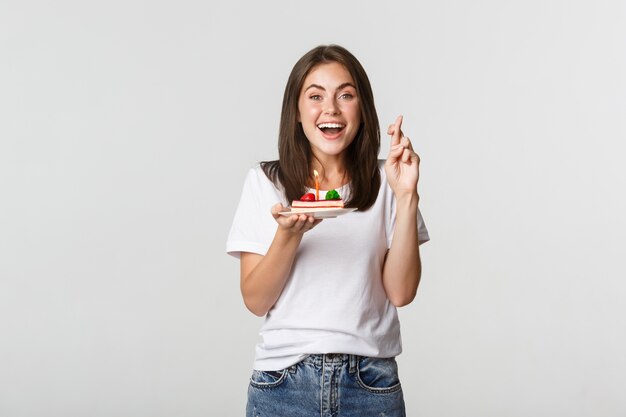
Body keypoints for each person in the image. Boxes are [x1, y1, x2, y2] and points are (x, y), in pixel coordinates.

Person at [227, 44, 429, 416]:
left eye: (346, 95)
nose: (331, 108)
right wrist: (289, 235)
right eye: (315, 95)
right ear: (296, 113)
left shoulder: (388, 181)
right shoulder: (264, 182)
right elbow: (256, 301)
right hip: (283, 384)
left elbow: (401, 293)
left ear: (362, 110)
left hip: (371, 384)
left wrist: (407, 197)